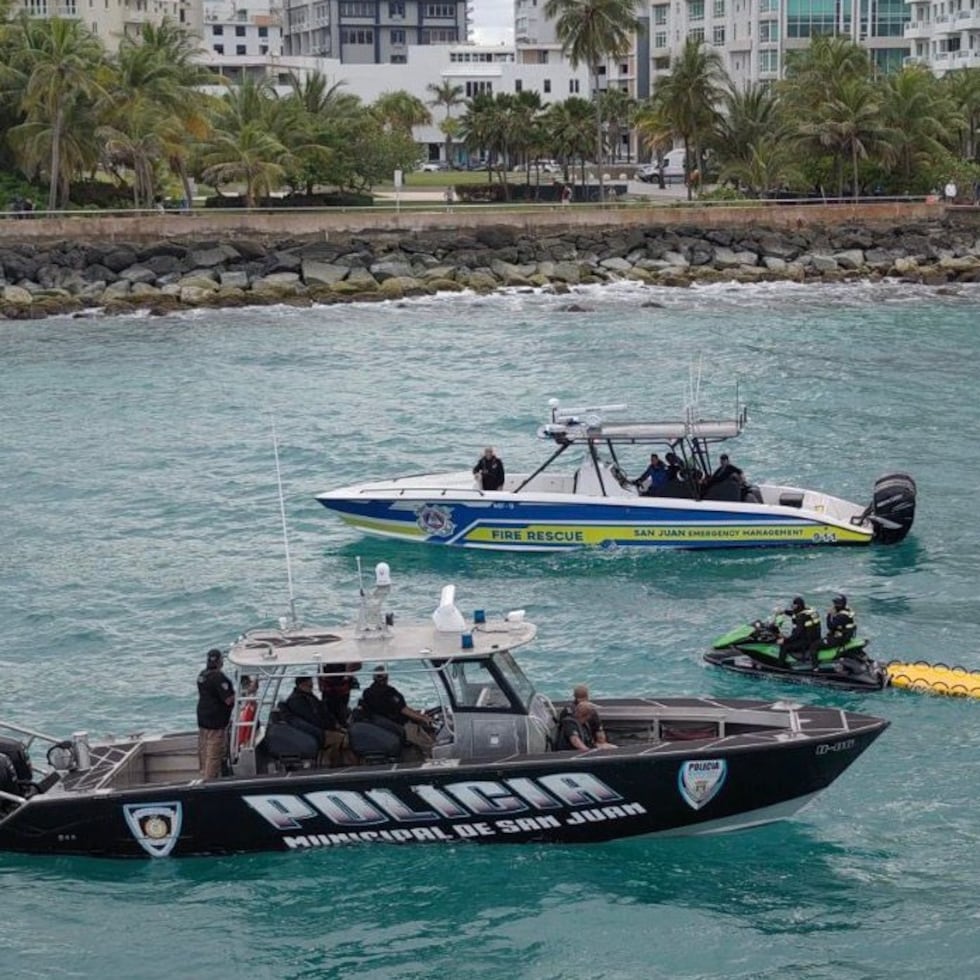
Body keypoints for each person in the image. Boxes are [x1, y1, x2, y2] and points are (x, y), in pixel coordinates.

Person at [361, 666, 435, 752]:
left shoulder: (366, 692)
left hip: (380, 725)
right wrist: (424, 718)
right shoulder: (389, 692)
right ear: (387, 677)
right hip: (398, 726)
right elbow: (404, 710)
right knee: (430, 745)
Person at [283, 676, 348, 765]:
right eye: (309, 684)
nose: (312, 686)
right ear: (301, 685)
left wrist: (335, 725)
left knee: (346, 735)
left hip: (321, 729)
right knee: (345, 739)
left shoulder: (309, 696)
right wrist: (327, 728)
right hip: (315, 733)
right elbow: (312, 719)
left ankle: (331, 759)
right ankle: (331, 762)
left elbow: (322, 713)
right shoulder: (297, 701)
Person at [196, 648, 235, 779]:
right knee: (214, 754)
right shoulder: (219, 677)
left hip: (203, 719)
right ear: (220, 661)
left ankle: (204, 775)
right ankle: (209, 781)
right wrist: (241, 694)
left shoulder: (202, 675)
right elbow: (228, 700)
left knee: (204, 751)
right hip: (215, 723)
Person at [777, 596, 822, 665]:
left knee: (784, 647)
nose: (792, 606)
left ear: (798, 606)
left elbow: (797, 633)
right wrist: (784, 611)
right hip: (814, 639)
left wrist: (785, 640)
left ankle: (780, 665)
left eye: (794, 605)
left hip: (806, 642)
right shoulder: (808, 612)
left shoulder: (801, 618)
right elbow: (794, 613)